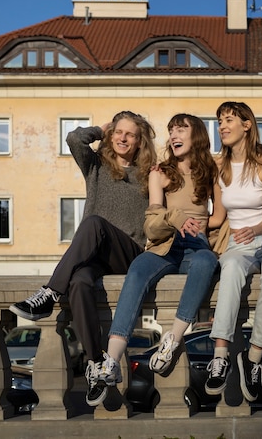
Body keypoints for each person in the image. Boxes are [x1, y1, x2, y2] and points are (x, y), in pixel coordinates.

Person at [9, 110, 157, 405]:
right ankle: (95, 364)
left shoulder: (148, 174)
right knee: (78, 281)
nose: (123, 138)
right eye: (119, 132)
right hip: (95, 254)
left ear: (140, 141)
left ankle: (50, 292)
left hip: (128, 252)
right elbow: (74, 139)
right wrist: (100, 130)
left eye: (130, 134)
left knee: (92, 223)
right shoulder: (96, 166)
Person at [87, 113, 223, 406]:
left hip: (196, 245)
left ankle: (171, 340)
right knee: (136, 271)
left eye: (181, 129)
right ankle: (110, 361)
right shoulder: (159, 172)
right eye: (171, 129)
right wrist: (175, 219)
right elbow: (151, 224)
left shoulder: (210, 171)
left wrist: (200, 225)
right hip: (163, 245)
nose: (174, 134)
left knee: (205, 263)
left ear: (196, 135)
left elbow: (221, 215)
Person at [204, 101, 262, 403]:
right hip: (239, 245)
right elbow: (219, 216)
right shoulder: (219, 168)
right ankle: (220, 357)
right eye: (219, 121)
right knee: (230, 268)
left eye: (229, 119)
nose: (222, 126)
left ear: (247, 125)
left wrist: (255, 230)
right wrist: (188, 225)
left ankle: (254, 359)